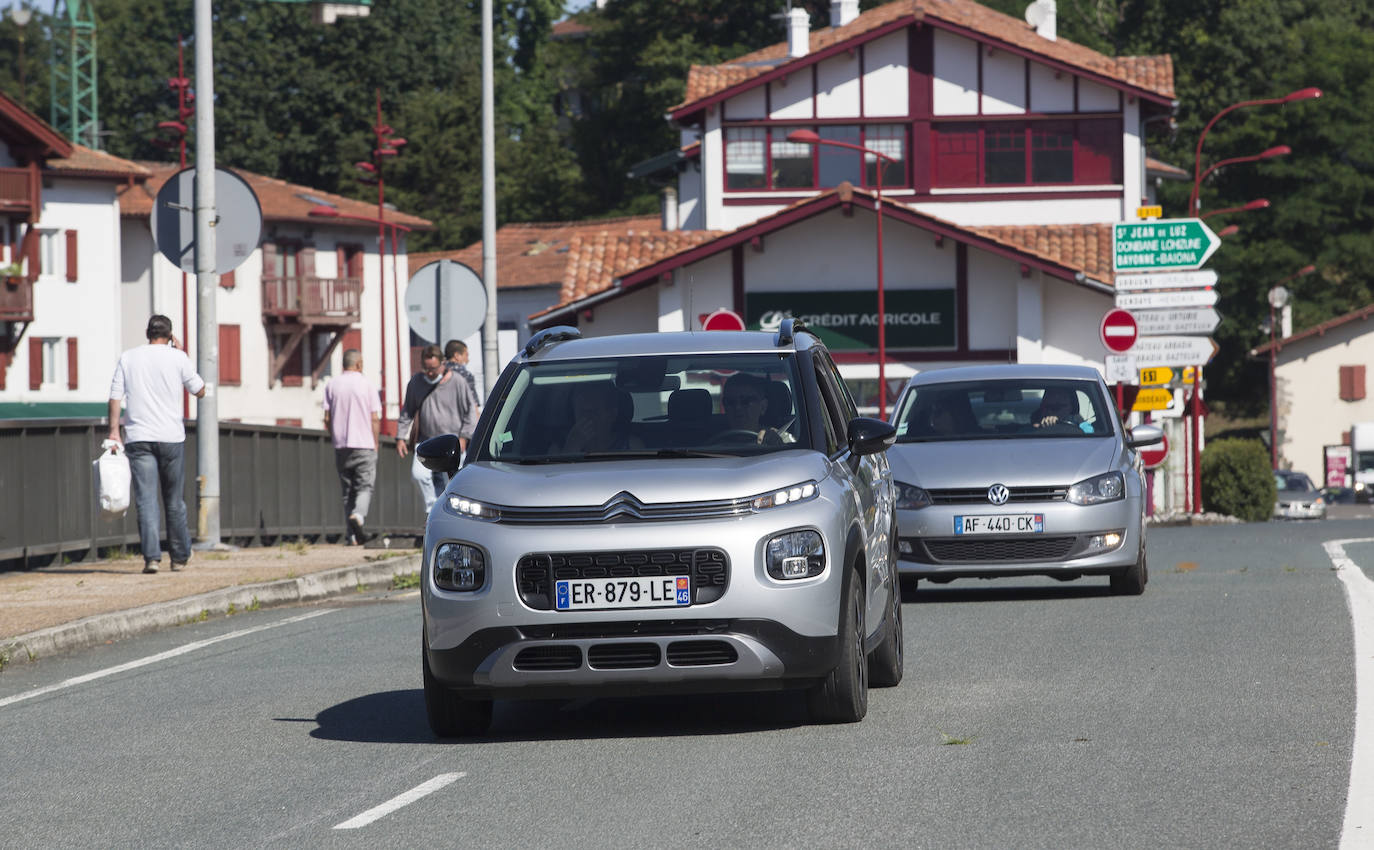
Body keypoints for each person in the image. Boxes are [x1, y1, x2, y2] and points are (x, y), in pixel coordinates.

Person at [107, 315, 206, 574]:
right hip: (171, 437)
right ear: (170, 336)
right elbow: (200, 390)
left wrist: (114, 431)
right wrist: (181, 354)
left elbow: (115, 396)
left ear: (147, 333)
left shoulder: (128, 357)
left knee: (146, 500)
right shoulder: (178, 357)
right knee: (173, 500)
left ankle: (151, 558)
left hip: (139, 437)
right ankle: (180, 557)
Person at [396, 345, 480, 511]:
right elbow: (407, 411)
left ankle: (455, 511)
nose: (430, 373)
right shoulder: (416, 382)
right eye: (426, 369)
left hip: (453, 443)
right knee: (418, 474)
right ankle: (431, 508)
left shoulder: (457, 381)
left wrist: (464, 437)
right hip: (426, 440)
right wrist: (400, 437)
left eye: (433, 369)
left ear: (443, 363)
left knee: (456, 480)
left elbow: (470, 412)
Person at [323, 349, 381, 545]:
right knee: (365, 486)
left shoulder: (332, 384)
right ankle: (358, 516)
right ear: (359, 364)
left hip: (341, 446)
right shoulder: (367, 385)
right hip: (364, 443)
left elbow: (327, 418)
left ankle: (352, 536)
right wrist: (375, 442)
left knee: (347, 491)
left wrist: (336, 437)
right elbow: (374, 418)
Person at [550, 382, 643, 454]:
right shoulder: (559, 447)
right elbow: (552, 476)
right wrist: (572, 447)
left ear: (612, 413)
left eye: (594, 412)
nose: (588, 419)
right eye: (583, 412)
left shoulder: (631, 446)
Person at [721, 373, 795, 446]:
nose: (737, 407)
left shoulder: (782, 439)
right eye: (730, 401)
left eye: (746, 401)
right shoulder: (712, 446)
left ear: (763, 406)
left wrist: (778, 446)